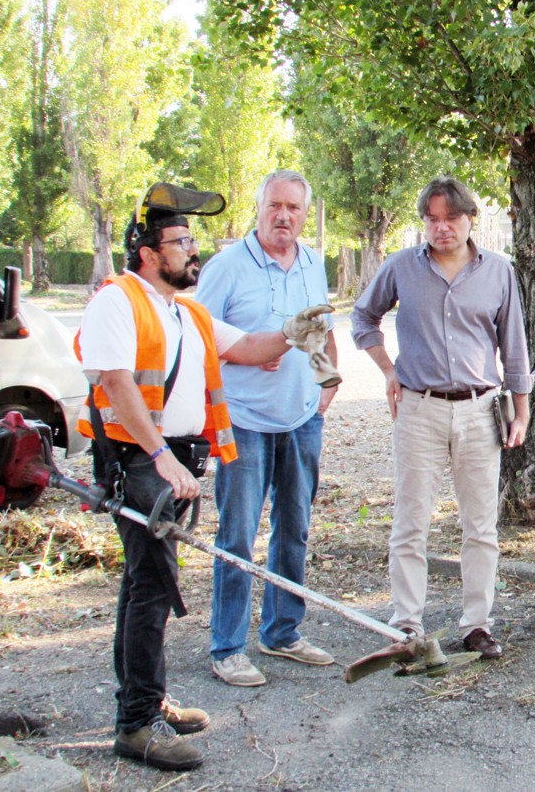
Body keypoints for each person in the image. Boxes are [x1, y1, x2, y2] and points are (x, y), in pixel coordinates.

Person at [75, 188, 329, 770]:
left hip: (174, 458)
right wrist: (160, 454)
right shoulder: (118, 301)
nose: (193, 251)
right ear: (146, 251)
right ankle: (136, 725)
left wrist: (292, 330)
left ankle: (147, 698)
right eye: (181, 242)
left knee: (145, 583)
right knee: (151, 587)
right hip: (137, 460)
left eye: (192, 240)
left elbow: (248, 347)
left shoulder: (185, 311)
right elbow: (115, 384)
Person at [352, 176, 533, 659]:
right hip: (418, 408)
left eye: (450, 217)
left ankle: (477, 624)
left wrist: (522, 408)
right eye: (431, 218)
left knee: (480, 526)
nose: (441, 227)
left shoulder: (498, 271)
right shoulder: (400, 268)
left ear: (469, 217)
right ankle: (406, 625)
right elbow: (362, 318)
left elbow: (514, 345)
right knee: (410, 523)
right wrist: (388, 369)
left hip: (480, 410)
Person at [195, 170, 340, 687]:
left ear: (304, 215)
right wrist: (252, 354)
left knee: (294, 528)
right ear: (258, 209)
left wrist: (325, 386)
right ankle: (228, 646)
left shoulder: (312, 263)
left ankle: (282, 631)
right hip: (244, 422)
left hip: (300, 418)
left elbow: (320, 329)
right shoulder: (226, 268)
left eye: (294, 209)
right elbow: (196, 339)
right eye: (275, 206)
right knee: (237, 534)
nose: (284, 216)